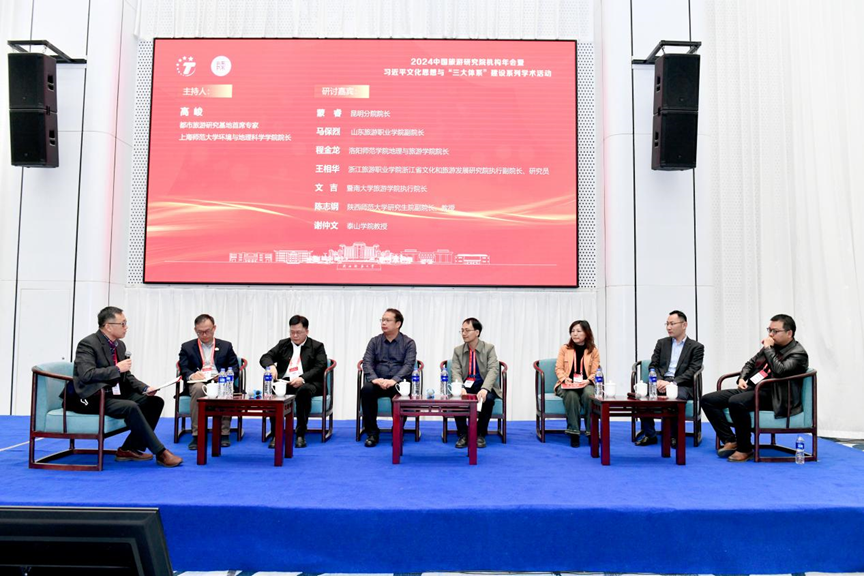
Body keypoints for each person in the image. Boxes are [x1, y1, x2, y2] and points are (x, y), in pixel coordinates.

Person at [68, 306, 182, 467]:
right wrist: (116, 369)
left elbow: (126, 376)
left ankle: (129, 448)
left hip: (113, 393)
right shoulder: (88, 344)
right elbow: (87, 374)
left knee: (155, 402)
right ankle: (161, 452)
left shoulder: (119, 345)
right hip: (93, 397)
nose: (126, 327)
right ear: (108, 326)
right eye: (122, 323)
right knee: (130, 407)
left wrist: (144, 388)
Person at [702, 313, 808, 462]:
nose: (770, 334)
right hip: (755, 389)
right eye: (769, 330)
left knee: (736, 401)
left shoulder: (798, 353)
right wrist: (742, 378)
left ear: (789, 333)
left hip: (775, 396)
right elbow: (750, 363)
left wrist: (768, 348)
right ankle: (730, 440)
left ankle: (744, 448)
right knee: (708, 400)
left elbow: (780, 371)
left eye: (775, 331)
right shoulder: (771, 347)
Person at [635, 310, 705, 447]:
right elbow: (653, 365)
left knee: (674, 397)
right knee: (641, 396)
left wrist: (671, 383)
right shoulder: (662, 343)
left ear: (684, 325)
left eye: (672, 324)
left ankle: (674, 436)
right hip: (660, 380)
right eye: (667, 324)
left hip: (682, 384)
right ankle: (650, 434)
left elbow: (692, 371)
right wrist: (658, 380)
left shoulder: (696, 347)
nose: (668, 327)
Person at [260, 315, 328, 449]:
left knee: (303, 392)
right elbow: (265, 357)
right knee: (274, 391)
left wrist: (302, 378)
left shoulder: (317, 346)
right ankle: (275, 433)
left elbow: (320, 367)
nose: (295, 335)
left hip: (309, 383)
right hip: (286, 382)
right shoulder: (283, 344)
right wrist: (271, 365)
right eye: (292, 332)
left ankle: (300, 433)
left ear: (306, 331)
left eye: (298, 332)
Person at [177, 314, 240, 450]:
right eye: (200, 332)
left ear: (214, 328)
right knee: (198, 388)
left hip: (220, 380)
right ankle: (197, 434)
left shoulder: (226, 346)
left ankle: (224, 433)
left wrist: (224, 376)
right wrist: (192, 375)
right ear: (195, 330)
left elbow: (235, 367)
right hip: (199, 381)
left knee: (225, 387)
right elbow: (183, 368)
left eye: (207, 331)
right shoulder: (187, 347)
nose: (204, 335)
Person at [360, 308, 417, 447]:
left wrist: (394, 380)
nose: (383, 323)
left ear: (398, 324)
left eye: (387, 320)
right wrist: (375, 379)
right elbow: (366, 362)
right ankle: (372, 432)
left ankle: (397, 431)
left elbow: (409, 365)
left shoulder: (408, 343)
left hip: (398, 382)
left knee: (402, 392)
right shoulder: (374, 341)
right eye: (382, 320)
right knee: (366, 390)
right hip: (378, 381)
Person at [449, 318, 500, 449]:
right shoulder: (458, 350)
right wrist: (460, 387)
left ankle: (480, 434)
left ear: (477, 332)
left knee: (488, 399)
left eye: (467, 330)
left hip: (484, 384)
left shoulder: (489, 348)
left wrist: (485, 389)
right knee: (456, 400)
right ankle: (464, 434)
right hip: (466, 385)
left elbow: (493, 369)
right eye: (462, 330)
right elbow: (455, 370)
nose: (464, 333)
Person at [554, 320, 601, 447]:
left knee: (589, 394)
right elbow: (558, 368)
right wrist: (565, 379)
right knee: (571, 395)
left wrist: (588, 380)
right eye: (572, 331)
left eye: (579, 331)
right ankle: (574, 432)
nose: (575, 334)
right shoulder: (564, 349)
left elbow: (596, 371)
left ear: (586, 333)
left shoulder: (593, 351)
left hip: (586, 384)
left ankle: (592, 432)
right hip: (567, 384)